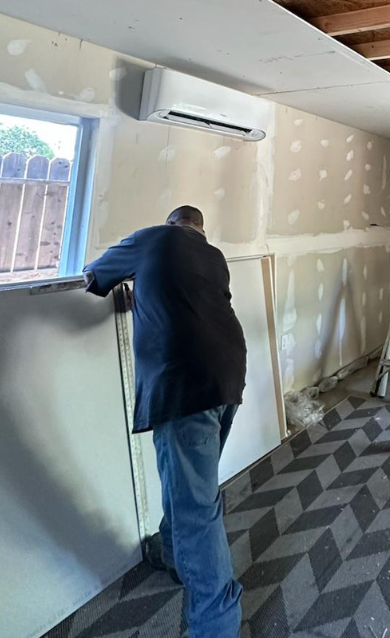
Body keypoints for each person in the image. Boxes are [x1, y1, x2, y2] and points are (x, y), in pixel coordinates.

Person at [83, 205, 246, 638]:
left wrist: (133, 279)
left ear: (172, 222)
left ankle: (216, 626)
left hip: (184, 382)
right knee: (189, 481)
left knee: (196, 505)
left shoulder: (153, 237)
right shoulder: (213, 257)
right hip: (228, 374)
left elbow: (93, 275)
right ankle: (171, 553)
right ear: (200, 229)